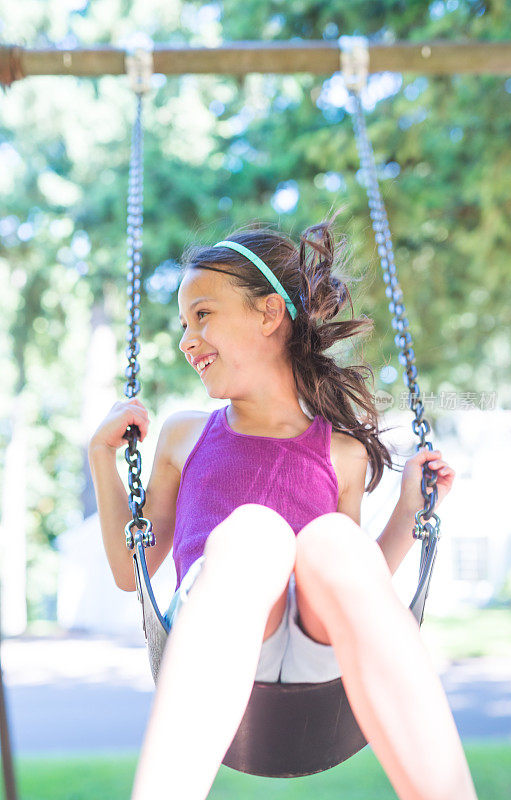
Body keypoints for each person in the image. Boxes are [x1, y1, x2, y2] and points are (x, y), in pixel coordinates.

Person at [88, 218, 478, 800]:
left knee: (332, 544)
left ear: (269, 314)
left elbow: (352, 593)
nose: (186, 339)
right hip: (218, 632)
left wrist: (408, 512)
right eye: (183, 324)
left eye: (202, 315)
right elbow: (130, 572)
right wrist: (101, 454)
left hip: (318, 664)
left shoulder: (340, 451)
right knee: (256, 534)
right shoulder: (183, 436)